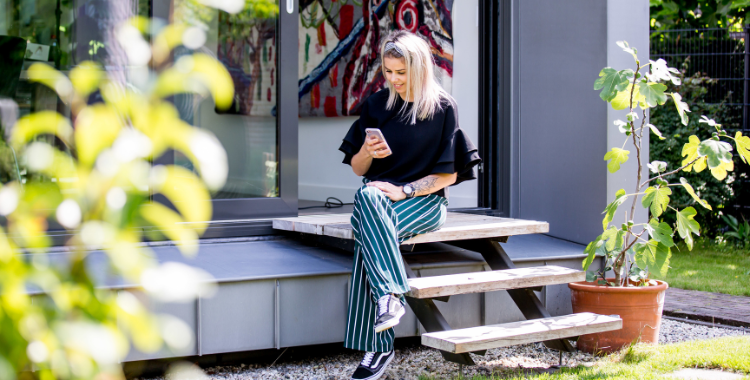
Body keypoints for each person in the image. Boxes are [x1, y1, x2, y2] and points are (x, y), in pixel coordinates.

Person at [338, 30, 481, 380]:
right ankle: (390, 298)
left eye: (401, 72)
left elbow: (449, 175)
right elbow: (357, 168)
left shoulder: (443, 108)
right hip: (379, 202)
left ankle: (379, 346)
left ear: (419, 68)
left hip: (423, 202)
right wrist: (366, 153)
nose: (394, 79)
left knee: (368, 219)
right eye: (388, 72)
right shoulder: (376, 105)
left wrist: (405, 191)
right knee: (369, 199)